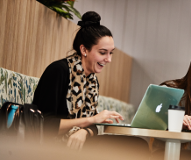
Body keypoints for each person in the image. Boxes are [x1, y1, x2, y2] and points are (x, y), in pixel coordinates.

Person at [33, 11, 123, 150]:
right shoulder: (58, 71)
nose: (109, 59)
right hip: (51, 146)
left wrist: (84, 131)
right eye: (103, 52)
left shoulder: (92, 80)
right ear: (84, 49)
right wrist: (90, 120)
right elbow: (45, 126)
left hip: (78, 144)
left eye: (111, 53)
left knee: (137, 144)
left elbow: (93, 126)